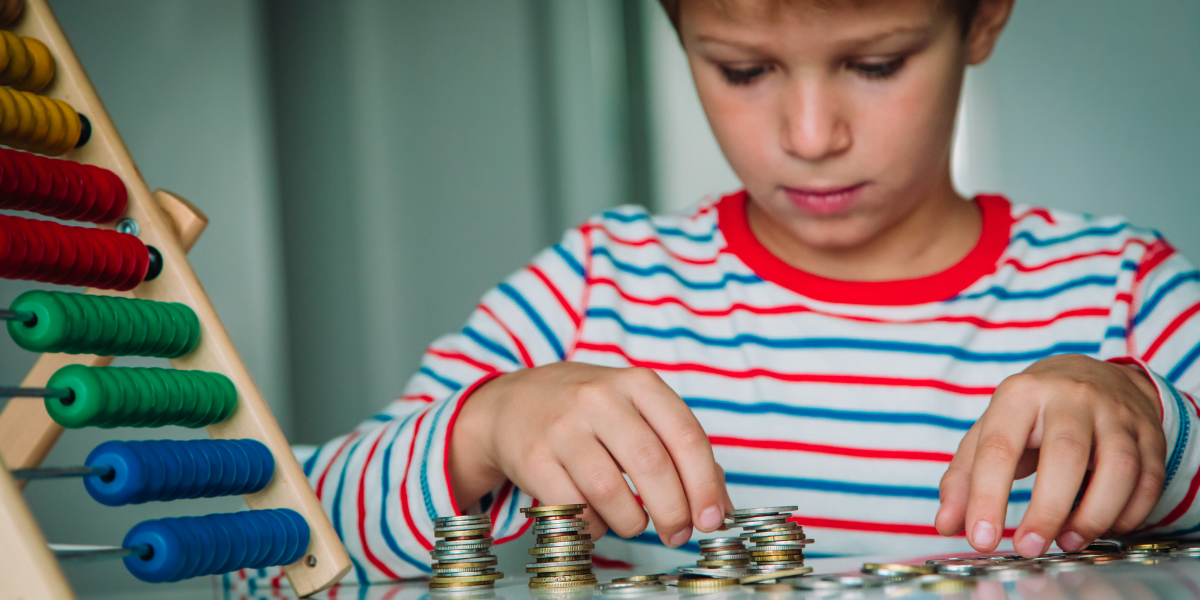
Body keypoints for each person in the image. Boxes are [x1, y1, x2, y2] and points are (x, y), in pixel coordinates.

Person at [297, 0, 1200, 583]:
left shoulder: (1123, 290)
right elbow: (293, 544)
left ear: (982, 19)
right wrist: (483, 430)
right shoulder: (591, 287)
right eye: (743, 69)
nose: (810, 135)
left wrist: (1154, 427)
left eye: (875, 63)